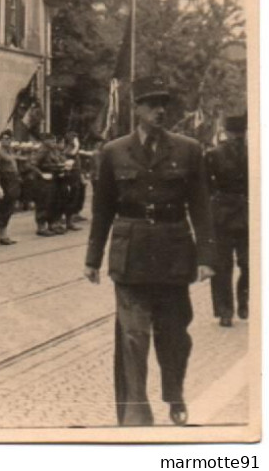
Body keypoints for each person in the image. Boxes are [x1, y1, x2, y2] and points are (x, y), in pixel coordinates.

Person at [84, 80, 214, 426]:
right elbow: (103, 210)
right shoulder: (114, 152)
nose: (160, 110)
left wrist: (206, 258)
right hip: (131, 255)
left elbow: (201, 207)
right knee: (133, 336)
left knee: (175, 336)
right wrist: (92, 258)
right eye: (151, 104)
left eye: (164, 104)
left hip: (174, 254)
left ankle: (174, 393)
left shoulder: (189, 150)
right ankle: (136, 411)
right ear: (136, 108)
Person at [206, 113, 248, 328]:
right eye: (235, 134)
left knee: (248, 263)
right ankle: (225, 310)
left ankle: (244, 302)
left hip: (247, 214)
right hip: (222, 215)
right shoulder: (214, 154)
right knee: (222, 265)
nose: (238, 138)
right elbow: (205, 185)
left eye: (240, 134)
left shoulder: (255, 152)